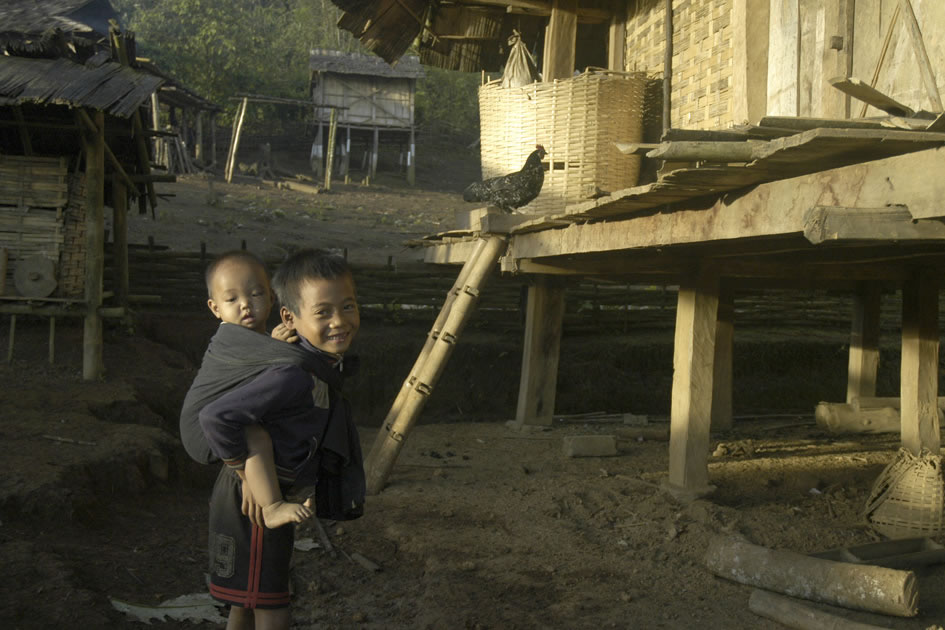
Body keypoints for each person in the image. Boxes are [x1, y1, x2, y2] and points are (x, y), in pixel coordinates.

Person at [192, 248, 365, 630]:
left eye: (348, 307)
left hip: (267, 493)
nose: (339, 321)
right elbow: (216, 417)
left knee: (249, 601)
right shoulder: (294, 375)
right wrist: (246, 476)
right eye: (323, 312)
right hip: (253, 502)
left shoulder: (313, 365)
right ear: (289, 317)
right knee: (271, 603)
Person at [181, 250, 312, 530]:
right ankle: (272, 506)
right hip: (203, 430)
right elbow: (298, 361)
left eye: (255, 294)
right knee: (256, 438)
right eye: (231, 299)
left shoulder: (257, 342)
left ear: (271, 297)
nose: (245, 305)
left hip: (223, 421)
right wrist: (245, 474)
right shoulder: (231, 337)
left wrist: (275, 342)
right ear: (215, 308)